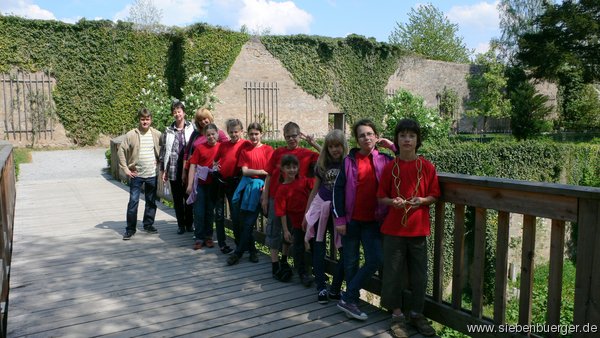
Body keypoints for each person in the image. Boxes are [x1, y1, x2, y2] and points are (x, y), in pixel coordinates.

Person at [377, 119, 440, 338]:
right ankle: (396, 315)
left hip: (418, 230)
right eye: (403, 135)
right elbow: (381, 196)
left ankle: (416, 313)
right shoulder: (389, 167)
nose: (407, 139)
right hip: (393, 230)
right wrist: (391, 202)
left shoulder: (427, 166)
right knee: (393, 274)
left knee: (419, 275)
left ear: (417, 140)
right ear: (397, 140)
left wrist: (422, 200)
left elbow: (434, 195)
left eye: (411, 136)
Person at [332, 118, 395, 320]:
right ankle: (352, 301)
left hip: (373, 222)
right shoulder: (348, 161)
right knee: (350, 262)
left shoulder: (386, 160)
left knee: (376, 259)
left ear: (376, 136)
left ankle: (347, 297)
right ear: (357, 140)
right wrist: (340, 219)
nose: (366, 138)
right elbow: (338, 191)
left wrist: (393, 146)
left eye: (370, 134)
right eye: (361, 135)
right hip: (351, 222)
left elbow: (412, 161)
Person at [261, 122, 320, 282]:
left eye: (294, 135)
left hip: (296, 202)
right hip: (276, 195)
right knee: (275, 228)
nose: (291, 139)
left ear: (299, 135)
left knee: (291, 233)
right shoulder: (278, 152)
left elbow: (328, 158)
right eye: (287, 136)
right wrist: (265, 197)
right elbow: (269, 175)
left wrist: (313, 143)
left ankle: (284, 260)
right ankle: (274, 265)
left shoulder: (306, 153)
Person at [304, 129, 347, 304]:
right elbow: (315, 190)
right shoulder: (322, 165)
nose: (335, 149)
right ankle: (321, 287)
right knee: (318, 249)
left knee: (346, 251)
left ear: (343, 146)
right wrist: (306, 216)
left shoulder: (348, 163)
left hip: (339, 212)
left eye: (338, 146)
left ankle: (336, 288)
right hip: (321, 208)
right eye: (331, 146)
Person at [227, 122, 274, 265]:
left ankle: (238, 253)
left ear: (261, 134)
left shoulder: (268, 150)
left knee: (249, 223)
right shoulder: (245, 150)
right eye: (251, 134)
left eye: (256, 134)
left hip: (261, 190)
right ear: (248, 134)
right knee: (245, 223)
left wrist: (264, 195)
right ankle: (252, 252)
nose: (253, 137)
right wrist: (261, 171)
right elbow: (245, 171)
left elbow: (270, 174)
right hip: (247, 189)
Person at [118, 108, 162, 240]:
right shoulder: (131, 134)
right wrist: (125, 169)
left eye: (147, 119)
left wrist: (160, 162)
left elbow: (164, 148)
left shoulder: (157, 134)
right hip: (136, 174)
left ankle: (148, 224)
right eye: (142, 119)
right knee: (133, 202)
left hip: (152, 174)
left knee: (151, 201)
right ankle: (130, 229)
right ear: (139, 120)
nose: (145, 121)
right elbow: (121, 151)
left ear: (151, 120)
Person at [275, 154, 314, 287]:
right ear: (283, 170)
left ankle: (315, 270)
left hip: (309, 219)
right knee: (298, 248)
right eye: (288, 167)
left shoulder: (303, 180)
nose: (292, 170)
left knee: (313, 245)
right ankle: (302, 273)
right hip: (295, 222)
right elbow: (282, 211)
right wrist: (285, 230)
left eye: (294, 167)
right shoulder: (282, 189)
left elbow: (317, 183)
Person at [213, 118, 252, 254]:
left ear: (241, 131)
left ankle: (241, 243)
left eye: (236, 132)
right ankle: (229, 243)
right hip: (222, 182)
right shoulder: (224, 145)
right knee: (220, 214)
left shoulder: (246, 144)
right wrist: (215, 166)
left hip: (236, 182)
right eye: (231, 132)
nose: (234, 134)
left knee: (237, 215)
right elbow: (215, 159)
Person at [159, 100, 195, 235]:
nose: (177, 114)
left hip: (188, 169)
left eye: (179, 111)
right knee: (178, 199)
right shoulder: (168, 130)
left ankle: (189, 224)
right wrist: (163, 170)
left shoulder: (192, 128)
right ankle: (181, 225)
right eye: (174, 112)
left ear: (184, 112)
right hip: (174, 169)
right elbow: (163, 151)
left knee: (189, 197)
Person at [186, 123, 221, 250]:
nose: (211, 137)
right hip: (200, 185)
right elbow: (192, 166)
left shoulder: (221, 148)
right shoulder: (200, 148)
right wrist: (190, 185)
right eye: (208, 135)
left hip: (213, 185)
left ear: (217, 134)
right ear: (205, 136)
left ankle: (208, 236)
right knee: (199, 211)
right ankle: (199, 237)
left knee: (209, 211)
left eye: (213, 134)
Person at [182, 108, 229, 186]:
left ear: (209, 118)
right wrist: (184, 171)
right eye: (200, 120)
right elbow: (187, 153)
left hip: (213, 173)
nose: (203, 122)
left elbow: (227, 150)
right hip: (195, 172)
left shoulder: (218, 133)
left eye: (204, 119)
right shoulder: (195, 134)